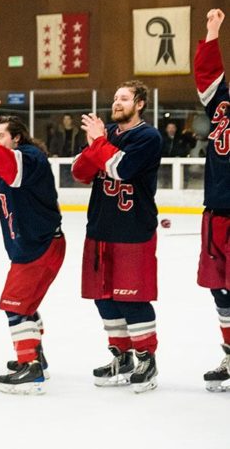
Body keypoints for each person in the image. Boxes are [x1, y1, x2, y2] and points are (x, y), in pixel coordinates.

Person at [0, 101, 65, 394]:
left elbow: (5, 162)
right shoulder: (10, 154)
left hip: (39, 246)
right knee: (24, 305)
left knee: (14, 304)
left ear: (16, 137)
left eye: (0, 136)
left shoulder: (29, 157)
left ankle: (30, 367)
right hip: (30, 245)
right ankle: (35, 358)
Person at [71, 80, 162, 393]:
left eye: (124, 98)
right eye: (115, 97)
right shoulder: (106, 134)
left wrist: (99, 143)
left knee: (133, 298)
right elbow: (80, 173)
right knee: (103, 298)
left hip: (133, 230)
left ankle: (145, 358)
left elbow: (120, 169)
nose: (117, 102)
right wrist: (94, 143)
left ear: (139, 104)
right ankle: (121, 356)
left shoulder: (148, 136)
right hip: (100, 228)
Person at [193, 8, 230, 391]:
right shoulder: (222, 102)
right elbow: (206, 74)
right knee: (220, 288)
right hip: (217, 211)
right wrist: (212, 32)